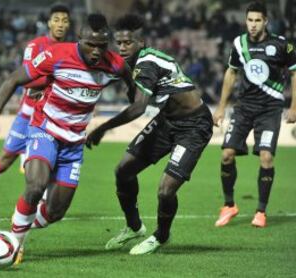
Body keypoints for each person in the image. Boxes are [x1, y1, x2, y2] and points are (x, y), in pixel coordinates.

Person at [0, 13, 135, 263]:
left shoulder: (114, 64)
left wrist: (138, 100)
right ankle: (16, 244)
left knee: (56, 212)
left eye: (101, 46)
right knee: (36, 186)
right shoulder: (57, 55)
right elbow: (12, 80)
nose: (95, 51)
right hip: (45, 129)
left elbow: (134, 91)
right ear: (79, 40)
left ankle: (20, 224)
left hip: (74, 144)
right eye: (90, 45)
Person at [86, 14, 213, 255]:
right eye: (119, 43)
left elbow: (138, 108)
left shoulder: (147, 62)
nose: (122, 47)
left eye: (128, 43)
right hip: (167, 121)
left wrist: (102, 128)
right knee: (123, 170)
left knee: (166, 190)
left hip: (194, 125)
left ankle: (161, 236)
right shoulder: (135, 62)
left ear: (141, 42)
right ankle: (134, 227)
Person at [0, 4, 71, 220]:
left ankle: (34, 216)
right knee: (4, 160)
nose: (60, 24)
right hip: (27, 115)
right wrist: (54, 81)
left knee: (50, 167)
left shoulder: (71, 49)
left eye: (65, 20)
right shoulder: (36, 45)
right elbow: (28, 79)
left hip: (51, 118)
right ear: (49, 22)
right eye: (56, 19)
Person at [213, 1, 296, 228]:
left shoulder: (281, 45)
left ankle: (261, 211)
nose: (252, 24)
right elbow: (231, 73)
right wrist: (221, 107)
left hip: (270, 109)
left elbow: (294, 73)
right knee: (227, 154)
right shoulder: (239, 44)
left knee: (266, 157)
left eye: (257, 20)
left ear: (266, 21)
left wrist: (294, 106)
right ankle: (229, 205)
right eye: (249, 20)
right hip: (244, 107)